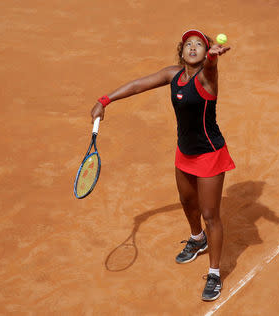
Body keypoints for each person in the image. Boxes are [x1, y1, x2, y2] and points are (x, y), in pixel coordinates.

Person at [90, 29, 235, 301]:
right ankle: (197, 239)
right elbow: (138, 85)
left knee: (210, 214)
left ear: (206, 53)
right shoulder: (173, 75)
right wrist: (105, 100)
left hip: (209, 154)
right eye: (188, 45)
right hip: (184, 152)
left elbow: (211, 69)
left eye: (200, 45)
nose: (193, 48)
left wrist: (214, 60)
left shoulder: (207, 77)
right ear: (181, 52)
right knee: (186, 202)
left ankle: (214, 274)